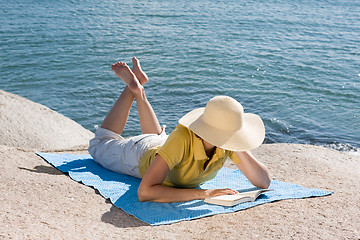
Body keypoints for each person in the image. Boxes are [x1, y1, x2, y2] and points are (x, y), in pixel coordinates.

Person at [88, 57, 270, 203]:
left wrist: (235, 141)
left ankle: (138, 89)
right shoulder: (183, 138)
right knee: (100, 142)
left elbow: (263, 181)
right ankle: (131, 90)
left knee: (156, 137)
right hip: (139, 156)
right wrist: (204, 194)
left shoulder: (226, 144)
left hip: (163, 144)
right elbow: (145, 192)